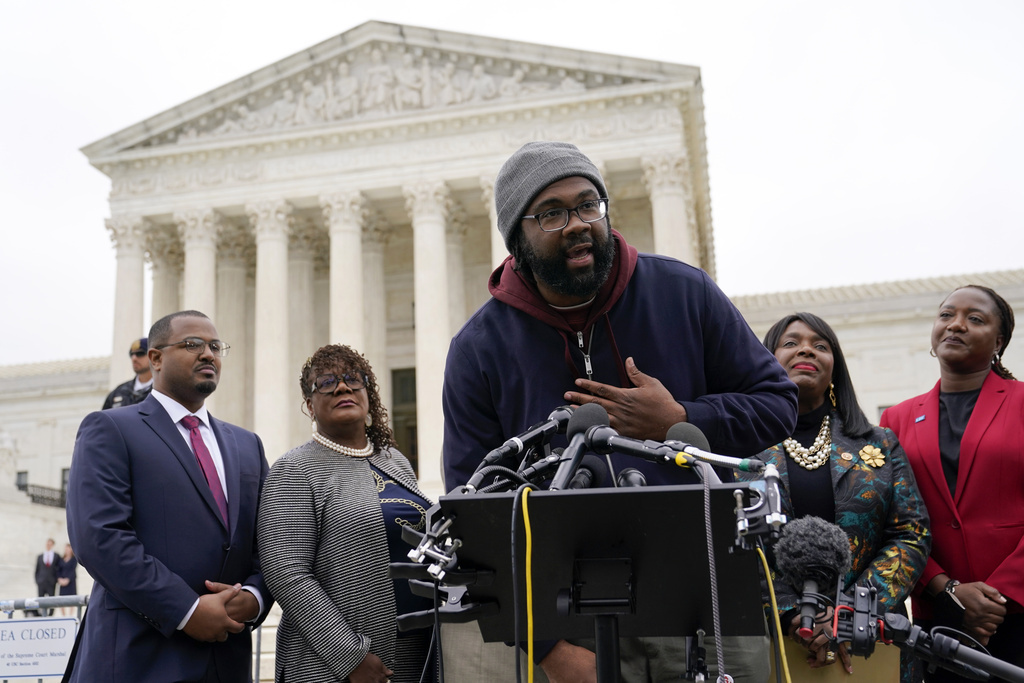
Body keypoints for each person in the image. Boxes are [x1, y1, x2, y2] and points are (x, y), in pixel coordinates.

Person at [441, 141, 799, 683]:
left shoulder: (684, 292)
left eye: (589, 205)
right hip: (570, 619)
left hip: (707, 597)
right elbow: (474, 514)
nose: (578, 224)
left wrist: (680, 417)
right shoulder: (478, 348)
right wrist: (547, 649)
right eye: (553, 213)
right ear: (517, 237)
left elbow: (777, 404)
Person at [66, 310, 272, 682]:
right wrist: (187, 610)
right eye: (192, 344)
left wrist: (255, 597)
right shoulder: (112, 428)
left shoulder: (247, 445)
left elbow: (270, 540)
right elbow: (99, 538)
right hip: (137, 658)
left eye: (215, 346)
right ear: (156, 359)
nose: (208, 354)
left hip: (226, 660)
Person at [742, 313, 930, 680]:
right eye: (791, 343)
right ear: (767, 360)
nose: (806, 350)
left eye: (821, 345)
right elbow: (728, 545)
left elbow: (912, 533)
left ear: (835, 367)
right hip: (774, 642)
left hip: (871, 641)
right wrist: (793, 613)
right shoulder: (740, 447)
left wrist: (851, 611)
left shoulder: (880, 443)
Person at [258, 344, 436, 683]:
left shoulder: (394, 461)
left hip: (416, 653)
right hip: (336, 666)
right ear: (310, 406)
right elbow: (287, 573)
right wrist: (350, 656)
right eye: (326, 382)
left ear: (368, 395)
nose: (342, 387)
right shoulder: (294, 469)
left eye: (354, 379)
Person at [881, 285, 1024, 680]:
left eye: (974, 319)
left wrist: (999, 596)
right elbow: (891, 518)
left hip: (1018, 612)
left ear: (999, 341)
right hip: (939, 620)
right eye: (946, 315)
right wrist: (945, 589)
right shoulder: (896, 419)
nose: (956, 325)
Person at [102, 337, 153, 409]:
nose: (134, 358)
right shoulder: (119, 392)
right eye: (131, 354)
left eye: (140, 353)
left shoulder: (162, 391)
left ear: (153, 356)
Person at [34, 538, 59, 616]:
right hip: (41, 581)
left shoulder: (56, 556)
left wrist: (56, 579)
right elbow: (37, 569)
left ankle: (51, 614)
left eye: (50, 544)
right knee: (40, 599)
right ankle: (40, 614)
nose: (48, 545)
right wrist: (37, 580)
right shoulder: (40, 556)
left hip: (51, 581)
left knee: (51, 599)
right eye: (47, 543)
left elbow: (58, 568)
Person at [57, 543, 78, 616]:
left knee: (72, 598)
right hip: (62, 581)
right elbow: (58, 570)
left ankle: (70, 615)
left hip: (71, 581)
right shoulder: (61, 559)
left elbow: (73, 570)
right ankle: (63, 615)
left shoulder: (74, 559)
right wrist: (59, 579)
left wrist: (68, 579)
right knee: (62, 598)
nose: (67, 550)